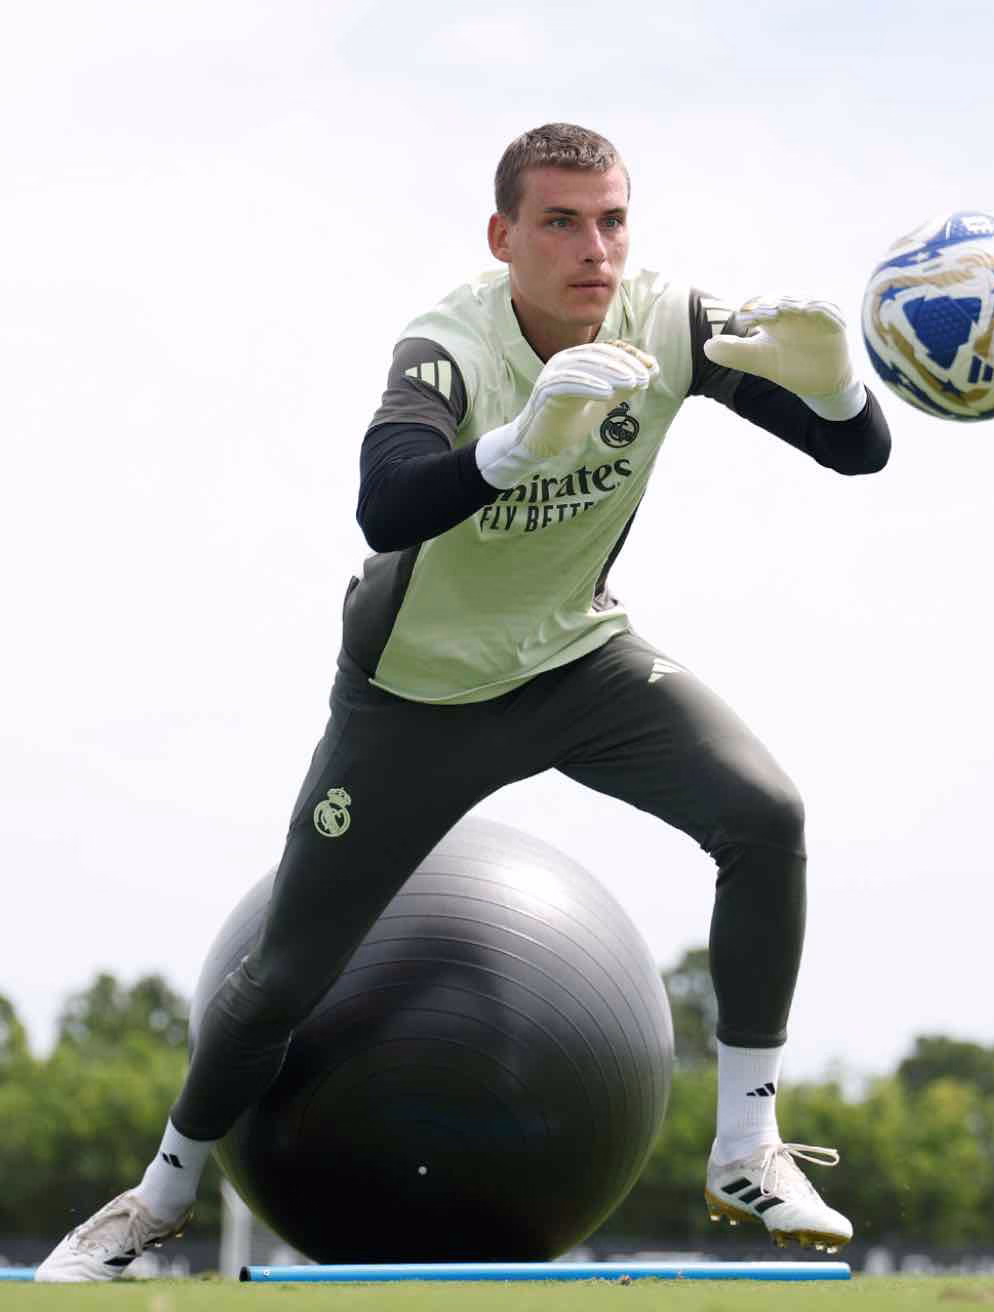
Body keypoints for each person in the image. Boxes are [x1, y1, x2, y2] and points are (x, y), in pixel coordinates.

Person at [36, 122, 890, 1282]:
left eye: (612, 220)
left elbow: (858, 453)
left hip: (577, 661)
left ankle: (748, 1145)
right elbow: (384, 503)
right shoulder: (447, 344)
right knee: (282, 975)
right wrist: (518, 444)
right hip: (417, 698)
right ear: (503, 237)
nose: (594, 249)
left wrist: (836, 384)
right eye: (560, 222)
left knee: (765, 814)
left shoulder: (669, 321)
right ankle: (159, 1193)